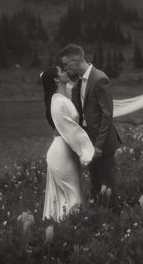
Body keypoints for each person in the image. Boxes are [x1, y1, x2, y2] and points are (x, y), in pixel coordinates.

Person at [58, 44, 122, 210]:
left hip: (103, 143)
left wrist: (99, 145)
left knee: (108, 184)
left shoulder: (100, 79)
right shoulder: (79, 81)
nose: (65, 68)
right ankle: (99, 218)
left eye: (66, 64)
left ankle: (115, 217)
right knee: (95, 183)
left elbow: (107, 115)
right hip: (87, 142)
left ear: (77, 59)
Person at [41, 66, 94, 222]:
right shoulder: (56, 102)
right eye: (61, 71)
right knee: (73, 194)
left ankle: (65, 229)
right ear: (57, 79)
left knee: (71, 194)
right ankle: (71, 228)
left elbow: (76, 88)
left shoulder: (64, 97)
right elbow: (70, 129)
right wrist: (87, 151)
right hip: (61, 153)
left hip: (67, 150)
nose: (66, 72)